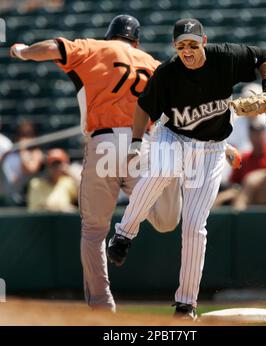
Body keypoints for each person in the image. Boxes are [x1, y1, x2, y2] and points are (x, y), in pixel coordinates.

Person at [107, 18, 266, 320]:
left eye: (193, 45)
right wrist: (134, 140)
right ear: (175, 47)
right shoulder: (168, 73)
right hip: (171, 136)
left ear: (204, 41)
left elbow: (263, 55)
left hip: (211, 148)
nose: (187, 50)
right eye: (181, 45)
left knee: (195, 227)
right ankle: (123, 235)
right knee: (161, 172)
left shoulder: (225, 56)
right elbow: (144, 106)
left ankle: (186, 304)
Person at [10, 14, 182, 312]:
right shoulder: (154, 64)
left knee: (93, 230)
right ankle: (166, 177)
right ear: (136, 41)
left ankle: (102, 307)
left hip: (103, 142)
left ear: (110, 35)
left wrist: (24, 51)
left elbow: (53, 47)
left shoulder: (93, 47)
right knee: (167, 222)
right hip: (143, 145)